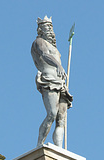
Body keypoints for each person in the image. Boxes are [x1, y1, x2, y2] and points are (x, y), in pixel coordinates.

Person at [31, 16, 73, 148]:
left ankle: (59, 149)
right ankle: (40, 144)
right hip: (49, 80)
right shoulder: (39, 42)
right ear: (40, 29)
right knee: (51, 114)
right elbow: (44, 55)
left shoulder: (56, 49)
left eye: (51, 27)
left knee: (61, 119)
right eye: (46, 27)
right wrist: (58, 66)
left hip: (60, 82)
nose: (50, 30)